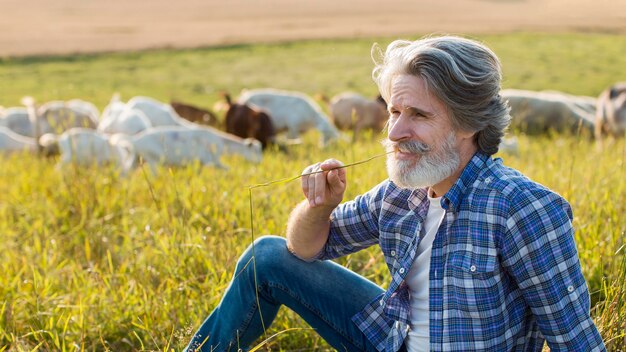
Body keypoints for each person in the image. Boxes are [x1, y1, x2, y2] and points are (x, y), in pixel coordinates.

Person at [184, 35, 606, 352]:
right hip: (392, 340)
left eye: (418, 115)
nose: (394, 132)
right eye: (394, 111)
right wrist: (318, 207)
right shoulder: (402, 193)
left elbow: (575, 339)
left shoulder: (524, 208)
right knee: (267, 257)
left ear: (469, 123)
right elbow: (302, 248)